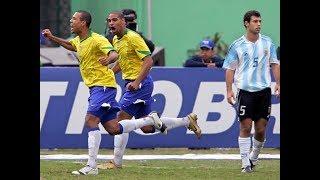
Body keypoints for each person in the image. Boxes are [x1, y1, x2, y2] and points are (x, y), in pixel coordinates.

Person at [42, 10, 167, 176]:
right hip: (97, 87)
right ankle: (148, 120)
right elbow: (71, 46)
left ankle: (91, 165)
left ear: (84, 23)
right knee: (114, 128)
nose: (71, 21)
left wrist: (109, 60)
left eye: (74, 19)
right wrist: (52, 38)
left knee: (90, 120)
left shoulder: (97, 39)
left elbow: (114, 54)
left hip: (103, 87)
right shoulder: (80, 40)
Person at [97, 11, 202, 170]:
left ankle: (116, 162)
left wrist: (137, 82)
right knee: (146, 128)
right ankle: (187, 121)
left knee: (120, 122)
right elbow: (122, 62)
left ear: (124, 22)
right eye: (109, 20)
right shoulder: (116, 40)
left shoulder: (133, 38)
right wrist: (110, 73)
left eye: (114, 20)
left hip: (139, 84)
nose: (111, 23)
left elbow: (149, 61)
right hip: (136, 83)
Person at [222, 10, 280, 173]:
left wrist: (278, 83)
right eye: (255, 21)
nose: (258, 24)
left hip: (264, 91)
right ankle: (245, 162)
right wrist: (228, 90)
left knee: (261, 129)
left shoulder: (268, 43)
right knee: (246, 126)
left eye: (260, 21)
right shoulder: (237, 45)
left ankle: (253, 158)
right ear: (246, 23)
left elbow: (275, 64)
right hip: (245, 91)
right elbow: (230, 69)